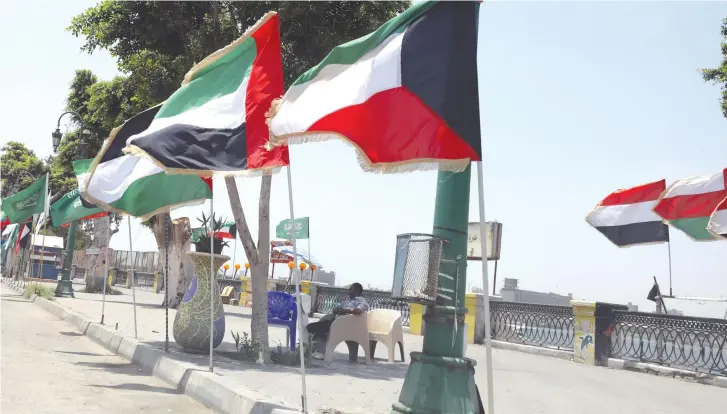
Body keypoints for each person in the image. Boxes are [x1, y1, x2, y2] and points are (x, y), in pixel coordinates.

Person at [306, 282, 369, 359]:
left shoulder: (361, 300)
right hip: (338, 321)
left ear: (357, 291)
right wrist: (336, 309)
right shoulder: (347, 300)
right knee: (318, 326)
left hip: (348, 325)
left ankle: (320, 351)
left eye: (351, 289)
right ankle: (315, 348)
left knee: (319, 327)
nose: (348, 291)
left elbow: (358, 310)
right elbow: (336, 308)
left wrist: (346, 310)